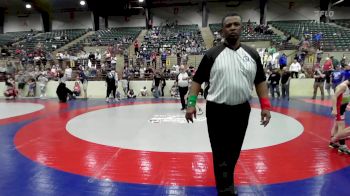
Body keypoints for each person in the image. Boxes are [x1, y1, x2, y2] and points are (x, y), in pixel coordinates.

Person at [185, 13, 271, 196]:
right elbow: (197, 81)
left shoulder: (252, 54)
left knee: (234, 150)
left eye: (236, 24)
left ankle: (226, 179)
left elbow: (260, 81)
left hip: (242, 110)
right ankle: (225, 188)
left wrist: (266, 106)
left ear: (241, 28)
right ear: (222, 30)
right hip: (217, 110)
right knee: (220, 151)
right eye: (228, 25)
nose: (232, 27)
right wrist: (190, 104)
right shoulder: (211, 55)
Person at [330, 79, 350, 154]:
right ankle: (342, 146)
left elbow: (345, 97)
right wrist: (334, 110)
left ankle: (333, 142)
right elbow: (334, 97)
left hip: (341, 108)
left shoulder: (347, 86)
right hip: (338, 109)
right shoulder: (343, 86)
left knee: (336, 126)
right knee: (341, 127)